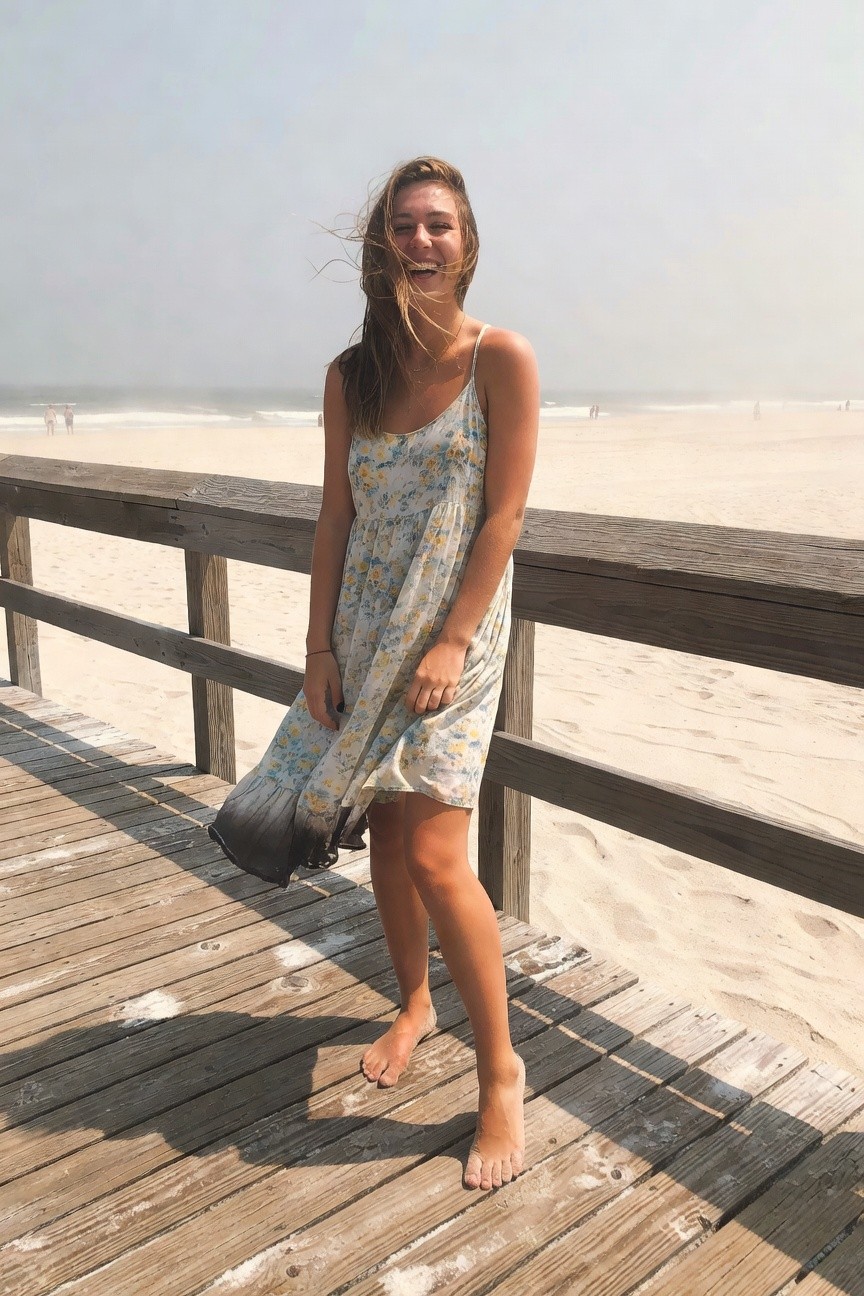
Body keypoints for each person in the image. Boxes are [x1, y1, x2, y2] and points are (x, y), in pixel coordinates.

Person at [209, 156, 539, 1191]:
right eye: (405, 225)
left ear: (468, 243)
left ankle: (501, 1077)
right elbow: (336, 518)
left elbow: (505, 517)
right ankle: (414, 1002)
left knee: (439, 854)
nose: (423, 241)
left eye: (440, 224)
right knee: (384, 836)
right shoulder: (350, 375)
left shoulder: (501, 359)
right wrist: (317, 649)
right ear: (382, 244)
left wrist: (449, 640)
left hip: (454, 639)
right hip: (362, 629)